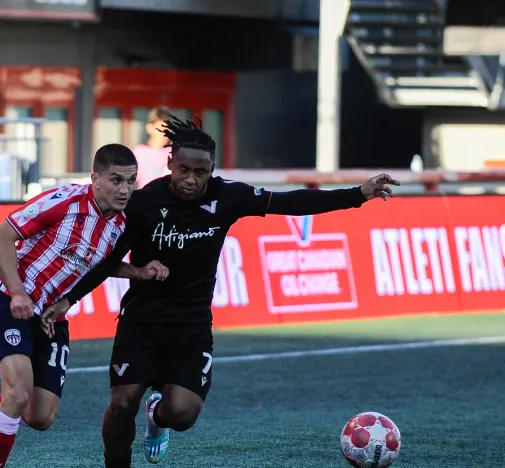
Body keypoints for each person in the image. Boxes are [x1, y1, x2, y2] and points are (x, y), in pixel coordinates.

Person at [40, 116, 400, 468]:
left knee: (181, 414)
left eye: (201, 172)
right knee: (121, 404)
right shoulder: (144, 203)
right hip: (142, 320)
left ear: (212, 169)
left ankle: (157, 416)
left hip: (192, 325)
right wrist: (70, 299)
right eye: (184, 170)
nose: (192, 180)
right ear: (170, 163)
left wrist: (358, 195)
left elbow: (291, 203)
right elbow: (106, 260)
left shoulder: (228, 197)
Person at [0, 143, 169, 468]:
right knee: (19, 393)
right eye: (116, 180)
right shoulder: (65, 200)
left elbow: (101, 264)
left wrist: (136, 271)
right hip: (12, 304)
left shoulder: (124, 221)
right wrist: (18, 292)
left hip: (53, 319)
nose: (125, 189)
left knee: (40, 417)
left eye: (131, 181)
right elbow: (0, 238)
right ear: (95, 178)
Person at [133, 106, 172, 188]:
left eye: (168, 130)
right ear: (149, 128)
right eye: (161, 129)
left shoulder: (173, 152)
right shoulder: (139, 152)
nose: (165, 134)